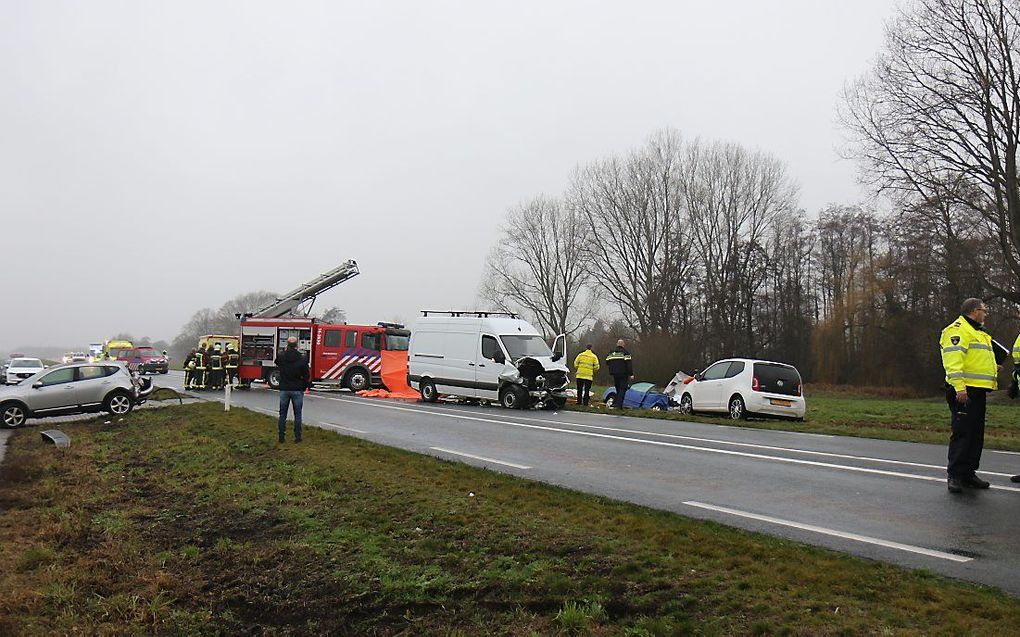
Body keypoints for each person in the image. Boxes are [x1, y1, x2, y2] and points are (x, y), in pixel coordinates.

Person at [941, 298, 998, 493]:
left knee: (975, 434)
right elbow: (953, 362)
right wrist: (960, 388)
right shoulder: (957, 330)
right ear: (974, 311)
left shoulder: (978, 332)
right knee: (963, 433)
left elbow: (976, 359)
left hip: (978, 390)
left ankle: (968, 473)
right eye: (984, 310)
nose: (986, 314)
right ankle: (955, 475)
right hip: (965, 391)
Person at [275, 336, 310, 443]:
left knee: (282, 414)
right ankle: (297, 437)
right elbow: (306, 375)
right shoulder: (302, 358)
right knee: (298, 414)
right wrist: (304, 386)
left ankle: (281, 436)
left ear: (287, 345)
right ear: (297, 345)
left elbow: (277, 362)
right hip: (297, 388)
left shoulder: (282, 356)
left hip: (284, 388)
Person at [605, 339, 633, 409]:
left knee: (618, 388)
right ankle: (619, 405)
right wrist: (631, 374)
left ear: (617, 344)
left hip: (614, 373)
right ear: (623, 345)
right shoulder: (626, 353)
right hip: (623, 373)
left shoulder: (611, 352)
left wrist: (613, 367)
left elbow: (607, 362)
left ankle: (615, 403)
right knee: (623, 389)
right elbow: (628, 364)